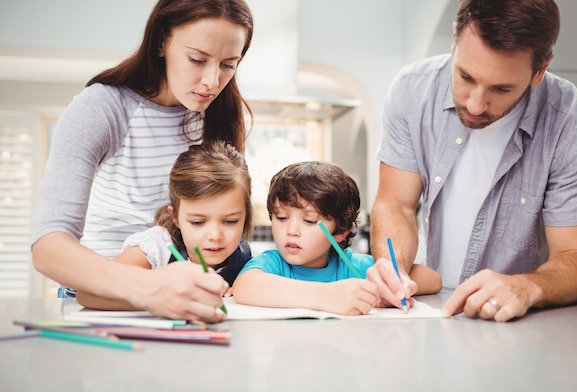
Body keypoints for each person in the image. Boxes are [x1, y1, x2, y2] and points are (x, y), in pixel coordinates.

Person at [367, 0, 577, 322]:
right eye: (466, 76)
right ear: (454, 44)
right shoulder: (412, 90)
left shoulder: (574, 125)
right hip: (430, 310)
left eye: (501, 88)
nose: (475, 104)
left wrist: (526, 288)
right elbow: (396, 203)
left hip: (522, 321)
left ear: (540, 71)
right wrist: (392, 266)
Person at [31, 0, 254, 323]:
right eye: (197, 59)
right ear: (162, 41)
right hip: (99, 300)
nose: (212, 81)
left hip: (180, 295)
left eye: (228, 64)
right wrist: (149, 289)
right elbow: (48, 246)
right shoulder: (103, 108)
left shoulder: (219, 115)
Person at [76, 142, 253, 311]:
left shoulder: (242, 255)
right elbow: (89, 294)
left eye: (230, 221)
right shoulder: (156, 247)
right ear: (175, 217)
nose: (215, 235)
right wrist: (158, 295)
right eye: (197, 222)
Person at [232, 161, 380, 315]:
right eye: (282, 218)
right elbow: (244, 287)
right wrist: (326, 296)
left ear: (341, 232)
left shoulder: (357, 267)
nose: (292, 231)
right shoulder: (273, 264)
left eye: (309, 221)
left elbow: (400, 278)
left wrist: (392, 292)